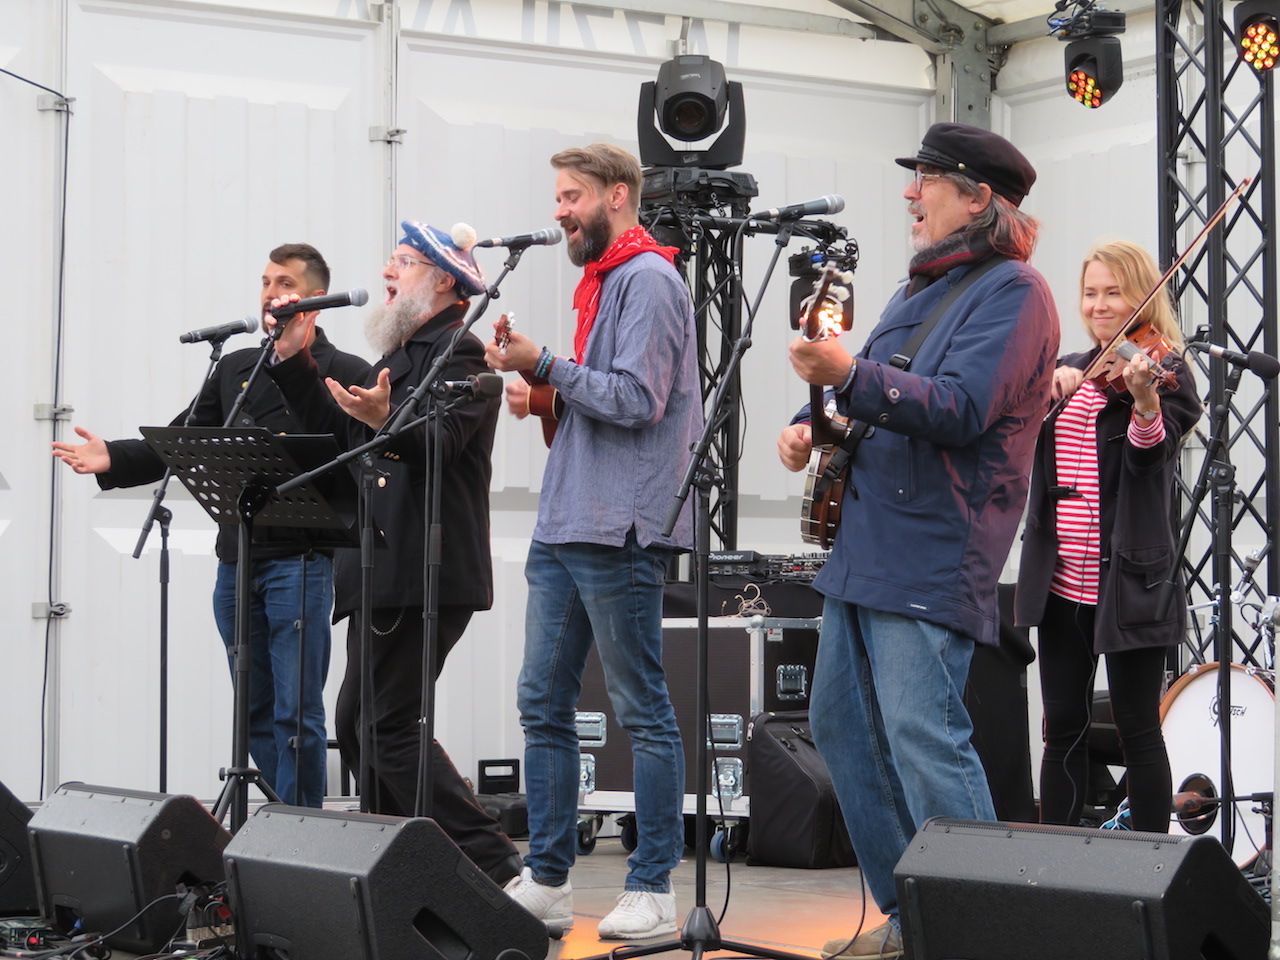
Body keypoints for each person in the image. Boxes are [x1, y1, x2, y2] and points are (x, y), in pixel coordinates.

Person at [776, 123, 1059, 960]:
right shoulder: (917, 290)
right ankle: (910, 918)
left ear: (978, 198)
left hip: (936, 548)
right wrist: (810, 422)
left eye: (927, 178)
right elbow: (868, 387)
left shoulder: (1017, 293)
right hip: (868, 547)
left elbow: (960, 408)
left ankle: (983, 933)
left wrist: (846, 377)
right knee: (839, 726)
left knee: (922, 736)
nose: (910, 192)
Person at [52, 243, 370, 808]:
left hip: (301, 563)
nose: (271, 293)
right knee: (253, 709)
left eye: (285, 283)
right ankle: (285, 813)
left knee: (296, 711)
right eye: (266, 282)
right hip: (238, 560)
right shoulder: (236, 367)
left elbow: (348, 457)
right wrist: (114, 457)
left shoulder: (345, 371)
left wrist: (297, 363)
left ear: (315, 300)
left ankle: (304, 830)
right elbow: (184, 438)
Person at [484, 143, 701, 941]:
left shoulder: (649, 280)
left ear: (617, 195)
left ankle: (653, 887)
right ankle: (547, 878)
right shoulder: (608, 280)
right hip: (569, 520)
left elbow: (639, 400)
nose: (559, 211)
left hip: (620, 528)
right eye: (558, 197)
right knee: (542, 701)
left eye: (571, 195)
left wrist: (545, 363)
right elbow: (599, 399)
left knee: (641, 708)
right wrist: (542, 388)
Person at [266, 221, 523, 887]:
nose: (387, 272)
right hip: (383, 571)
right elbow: (342, 436)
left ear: (442, 282)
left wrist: (384, 421)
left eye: (402, 263)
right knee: (360, 728)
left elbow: (438, 443)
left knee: (388, 726)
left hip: (424, 569)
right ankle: (402, 870)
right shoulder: (406, 358)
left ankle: (494, 864)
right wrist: (296, 361)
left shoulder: (461, 356)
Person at [1015, 240, 1200, 834]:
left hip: (1130, 583)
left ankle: (1147, 862)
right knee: (1061, 728)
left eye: (1114, 292)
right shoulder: (1068, 371)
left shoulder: (1165, 374)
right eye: (1090, 293)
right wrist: (1045, 386)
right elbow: (1015, 438)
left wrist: (1144, 399)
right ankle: (1056, 858)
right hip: (1061, 583)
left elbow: (1150, 456)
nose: (1099, 305)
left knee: (1137, 727)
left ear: (1141, 296)